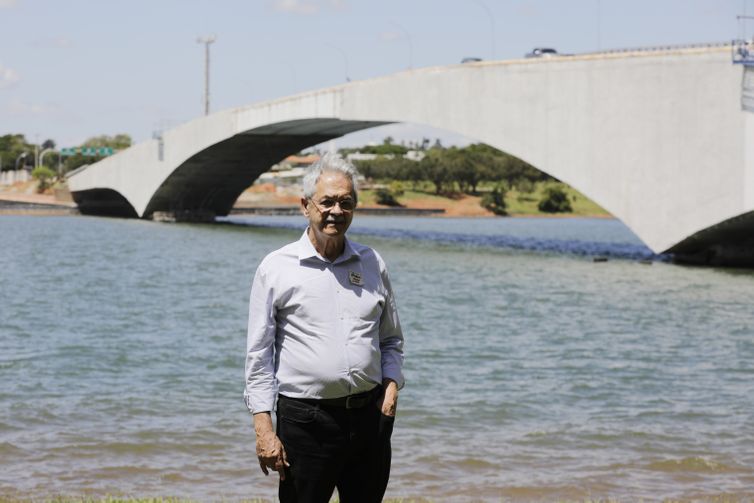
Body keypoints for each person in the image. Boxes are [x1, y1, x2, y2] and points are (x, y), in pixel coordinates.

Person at [244, 153, 405, 503]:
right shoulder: (276, 268)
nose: (336, 211)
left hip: (369, 418)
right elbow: (259, 358)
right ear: (305, 206)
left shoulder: (372, 262)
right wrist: (264, 431)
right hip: (306, 423)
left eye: (346, 203)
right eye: (327, 202)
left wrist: (390, 393)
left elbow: (391, 340)